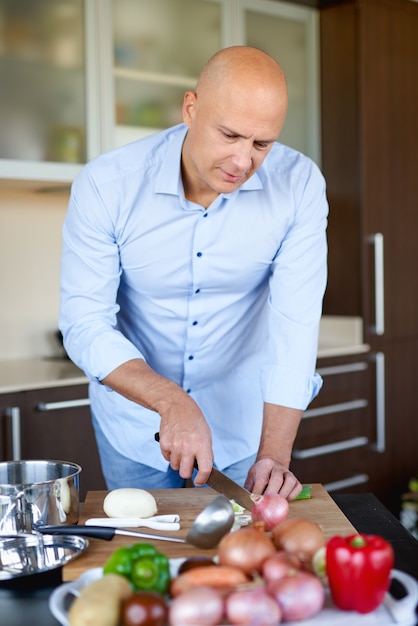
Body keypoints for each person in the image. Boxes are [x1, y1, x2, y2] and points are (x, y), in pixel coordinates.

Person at [59, 46, 328, 500]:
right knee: (148, 557)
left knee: (240, 560)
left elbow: (295, 328)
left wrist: (274, 457)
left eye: (262, 144)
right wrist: (170, 400)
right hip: (135, 424)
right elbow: (85, 323)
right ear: (191, 108)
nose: (243, 162)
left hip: (243, 428)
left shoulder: (298, 186)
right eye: (230, 135)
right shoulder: (108, 184)